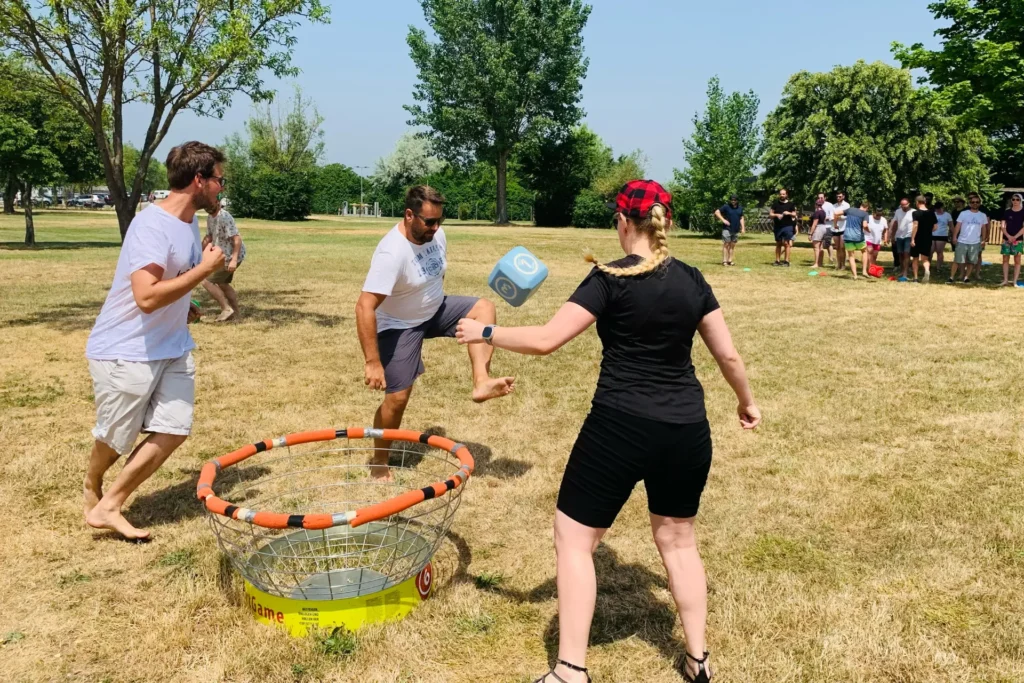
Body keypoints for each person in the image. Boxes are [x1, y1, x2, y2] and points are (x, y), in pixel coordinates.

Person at [456, 180, 760, 683]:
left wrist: (486, 331)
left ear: (622, 223)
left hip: (618, 427)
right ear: (664, 223)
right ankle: (698, 660)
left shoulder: (608, 278)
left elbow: (549, 338)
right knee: (680, 544)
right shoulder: (692, 279)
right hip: (686, 430)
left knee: (574, 541)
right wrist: (747, 403)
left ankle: (571, 670)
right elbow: (727, 355)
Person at [83, 141, 226, 540]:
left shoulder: (188, 224)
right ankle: (92, 482)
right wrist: (205, 271)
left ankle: (110, 504)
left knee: (174, 428)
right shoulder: (151, 225)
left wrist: (186, 305)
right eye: (218, 180)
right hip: (126, 349)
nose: (221, 187)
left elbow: (168, 284)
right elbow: (145, 297)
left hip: (172, 344)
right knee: (117, 437)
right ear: (199, 180)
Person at [356, 185, 515, 480]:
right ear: (409, 215)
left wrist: (431, 302)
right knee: (398, 398)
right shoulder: (392, 253)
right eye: (429, 221)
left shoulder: (436, 234)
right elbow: (364, 306)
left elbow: (437, 272)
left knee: (484, 308)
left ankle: (481, 382)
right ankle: (379, 460)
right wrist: (372, 361)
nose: (435, 227)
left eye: (439, 220)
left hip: (434, 310)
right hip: (398, 324)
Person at [201, 199, 245, 321]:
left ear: (218, 203)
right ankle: (236, 315)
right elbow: (209, 236)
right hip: (222, 255)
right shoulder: (210, 217)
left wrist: (234, 260)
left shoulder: (224, 217)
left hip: (229, 257)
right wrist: (199, 252)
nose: (209, 206)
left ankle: (226, 308)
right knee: (223, 284)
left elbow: (237, 239)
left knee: (205, 281)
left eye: (211, 203)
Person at [949, 193, 989, 284]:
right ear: (970, 203)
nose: (975, 203)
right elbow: (957, 226)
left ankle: (966, 277)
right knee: (957, 260)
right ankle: (951, 277)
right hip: (962, 240)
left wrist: (983, 239)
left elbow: (984, 228)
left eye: (977, 202)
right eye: (973, 202)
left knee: (972, 261)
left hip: (975, 242)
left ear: (979, 203)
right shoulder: (963, 213)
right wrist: (954, 237)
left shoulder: (982, 215)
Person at [911, 195, 937, 282]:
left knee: (915, 258)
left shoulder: (915, 213)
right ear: (925, 202)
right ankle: (927, 270)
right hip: (928, 237)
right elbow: (935, 226)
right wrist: (928, 231)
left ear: (917, 202)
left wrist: (912, 239)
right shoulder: (931, 213)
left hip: (917, 237)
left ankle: (915, 278)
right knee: (925, 258)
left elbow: (915, 225)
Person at [999, 193, 1024, 286]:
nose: (1015, 201)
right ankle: (1005, 280)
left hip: (1018, 240)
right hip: (1006, 239)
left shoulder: (1023, 211)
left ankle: (1014, 282)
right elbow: (1002, 225)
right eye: (1013, 199)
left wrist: (1015, 237)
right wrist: (1008, 236)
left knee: (1017, 261)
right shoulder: (1007, 211)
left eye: (1017, 199)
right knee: (1005, 259)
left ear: (1021, 201)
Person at [842, 199, 870, 279]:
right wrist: (869, 230)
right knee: (864, 251)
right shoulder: (865, 214)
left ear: (860, 205)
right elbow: (865, 225)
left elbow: (836, 213)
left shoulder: (850, 210)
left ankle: (855, 275)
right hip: (858, 237)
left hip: (847, 236)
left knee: (851, 255)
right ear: (867, 207)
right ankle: (864, 271)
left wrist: (835, 223)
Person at [714, 194, 745, 266]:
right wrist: (723, 220)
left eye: (734, 200)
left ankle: (730, 260)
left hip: (736, 229)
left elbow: (741, 217)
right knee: (726, 244)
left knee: (732, 245)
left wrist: (743, 228)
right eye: (732, 200)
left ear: (737, 200)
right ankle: (724, 261)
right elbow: (717, 212)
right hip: (727, 229)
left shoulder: (740, 208)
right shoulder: (726, 207)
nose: (733, 201)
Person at [770, 188, 797, 266]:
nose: (782, 195)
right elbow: (770, 214)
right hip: (778, 226)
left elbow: (794, 214)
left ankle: (786, 261)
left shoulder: (791, 204)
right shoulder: (775, 204)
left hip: (788, 226)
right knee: (778, 243)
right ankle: (777, 261)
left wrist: (789, 213)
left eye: (783, 194)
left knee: (786, 243)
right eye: (781, 194)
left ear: (786, 195)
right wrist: (776, 215)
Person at [890, 198, 915, 281]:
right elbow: (895, 223)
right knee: (900, 254)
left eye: (905, 205)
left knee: (906, 254)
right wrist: (893, 236)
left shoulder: (913, 212)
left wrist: (914, 237)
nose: (903, 207)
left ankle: (905, 272)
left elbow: (916, 225)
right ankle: (902, 270)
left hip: (909, 235)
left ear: (909, 204)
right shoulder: (898, 211)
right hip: (899, 235)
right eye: (902, 205)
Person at [809, 194, 832, 269]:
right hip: (824, 227)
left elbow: (814, 224)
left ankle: (816, 263)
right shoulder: (823, 212)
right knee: (820, 247)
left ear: (816, 205)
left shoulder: (817, 213)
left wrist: (810, 233)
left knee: (816, 247)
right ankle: (820, 263)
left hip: (818, 228)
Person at [830, 192, 851, 269]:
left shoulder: (846, 205)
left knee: (842, 247)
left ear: (843, 197)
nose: (838, 198)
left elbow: (847, 216)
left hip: (843, 228)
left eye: (840, 196)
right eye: (837, 196)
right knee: (837, 247)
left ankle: (843, 264)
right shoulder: (834, 206)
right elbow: (831, 216)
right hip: (835, 229)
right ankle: (838, 264)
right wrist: (837, 217)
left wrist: (838, 217)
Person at [865, 205, 888, 274]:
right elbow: (863, 225)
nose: (879, 215)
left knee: (874, 255)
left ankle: (872, 269)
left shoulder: (883, 220)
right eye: (878, 212)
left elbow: (886, 229)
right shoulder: (869, 218)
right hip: (868, 238)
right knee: (869, 253)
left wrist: (885, 239)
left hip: (877, 240)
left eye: (880, 213)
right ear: (874, 212)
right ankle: (869, 270)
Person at [932, 201, 952, 270]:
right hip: (932, 234)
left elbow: (951, 225)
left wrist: (952, 234)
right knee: (930, 251)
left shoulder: (947, 215)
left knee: (939, 251)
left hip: (942, 235)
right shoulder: (933, 214)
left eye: (939, 208)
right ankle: (928, 266)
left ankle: (939, 267)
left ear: (942, 208)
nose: (938, 210)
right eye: (937, 208)